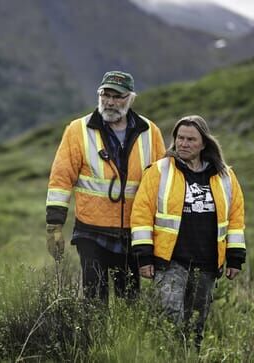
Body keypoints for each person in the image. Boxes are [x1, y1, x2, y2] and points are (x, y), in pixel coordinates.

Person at [45, 71, 165, 303]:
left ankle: (122, 339)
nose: (109, 102)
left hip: (133, 233)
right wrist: (54, 226)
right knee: (94, 301)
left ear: (130, 98)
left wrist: (158, 233)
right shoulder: (77, 130)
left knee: (129, 301)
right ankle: (92, 339)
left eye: (117, 96)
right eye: (105, 94)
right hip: (91, 231)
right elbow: (60, 180)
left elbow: (161, 184)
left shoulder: (151, 132)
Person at [130, 115, 246, 349]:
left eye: (191, 139)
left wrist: (235, 258)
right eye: (180, 138)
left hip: (207, 263)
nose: (183, 143)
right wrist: (144, 257)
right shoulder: (159, 171)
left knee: (196, 325)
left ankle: (190, 356)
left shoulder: (225, 176)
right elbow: (141, 214)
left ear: (204, 143)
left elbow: (235, 219)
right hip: (170, 261)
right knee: (169, 320)